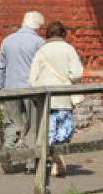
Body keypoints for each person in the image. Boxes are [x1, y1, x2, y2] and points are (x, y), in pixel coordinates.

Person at [26, 21, 85, 178]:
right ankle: (57, 159)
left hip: (46, 98)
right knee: (63, 132)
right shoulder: (69, 49)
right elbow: (77, 74)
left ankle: (53, 161)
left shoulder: (41, 51)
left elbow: (32, 79)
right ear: (63, 33)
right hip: (64, 98)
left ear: (47, 34)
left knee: (48, 131)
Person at [0, 10, 46, 169]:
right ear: (37, 27)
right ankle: (31, 162)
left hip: (10, 88)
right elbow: (42, 68)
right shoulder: (39, 43)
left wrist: (0, 88)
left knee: (12, 124)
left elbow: (0, 67)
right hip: (31, 90)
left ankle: (7, 155)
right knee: (32, 126)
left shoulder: (7, 41)